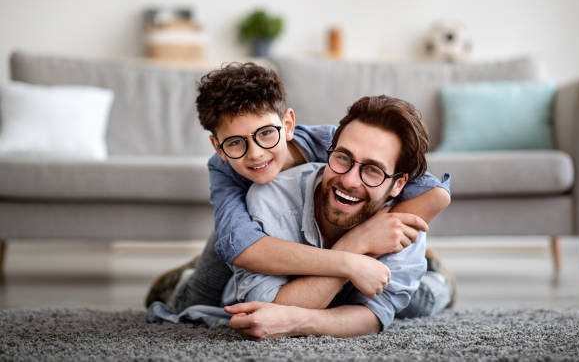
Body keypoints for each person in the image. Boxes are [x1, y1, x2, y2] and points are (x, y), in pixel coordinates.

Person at [145, 63, 451, 317]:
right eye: (236, 143)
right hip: (247, 231)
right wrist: (354, 249)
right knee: (197, 303)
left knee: (409, 304)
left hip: (329, 227)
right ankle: (182, 277)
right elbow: (245, 248)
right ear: (218, 147)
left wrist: (383, 235)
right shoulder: (224, 168)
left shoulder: (336, 143)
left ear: (288, 124)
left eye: (266, 134)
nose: (255, 154)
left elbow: (436, 194)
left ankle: (437, 275)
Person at [223, 95, 447, 339]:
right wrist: (355, 245)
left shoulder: (400, 221)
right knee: (200, 291)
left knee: (421, 302)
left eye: (373, 170)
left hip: (395, 284)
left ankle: (441, 277)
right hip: (254, 258)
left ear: (398, 184)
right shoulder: (271, 196)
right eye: (342, 157)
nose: (349, 181)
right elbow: (264, 304)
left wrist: (299, 321)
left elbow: (374, 315)